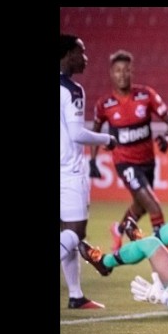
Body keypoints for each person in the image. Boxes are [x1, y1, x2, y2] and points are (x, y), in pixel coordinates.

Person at [89, 49, 168, 263]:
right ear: (111, 74)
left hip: (148, 162)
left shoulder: (146, 95)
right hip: (125, 163)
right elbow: (95, 131)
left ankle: (118, 229)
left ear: (132, 72)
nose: (122, 74)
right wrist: (93, 160)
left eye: (126, 70)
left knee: (139, 207)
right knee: (153, 207)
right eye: (118, 70)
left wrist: (167, 138)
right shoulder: (105, 105)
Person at [60, 34, 117, 309]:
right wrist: (108, 139)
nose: (85, 58)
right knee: (76, 232)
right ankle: (75, 295)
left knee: (65, 233)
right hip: (68, 172)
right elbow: (77, 134)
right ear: (67, 54)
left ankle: (75, 295)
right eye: (80, 52)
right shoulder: (71, 90)